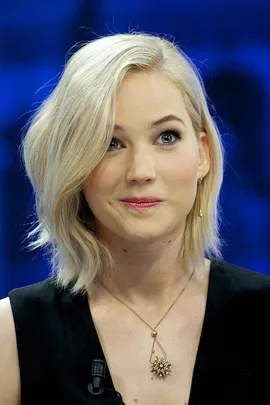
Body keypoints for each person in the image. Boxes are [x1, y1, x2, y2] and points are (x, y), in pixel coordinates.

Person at [0, 32, 269, 405]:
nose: (140, 171)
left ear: (203, 153)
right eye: (111, 143)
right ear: (73, 166)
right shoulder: (12, 333)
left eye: (167, 137)